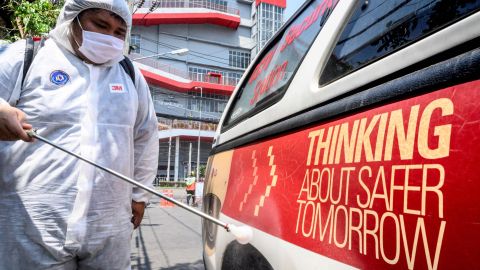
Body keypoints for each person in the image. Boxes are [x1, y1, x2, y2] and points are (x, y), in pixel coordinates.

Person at [0, 0, 159, 269]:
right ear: (73, 19)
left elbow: (145, 135)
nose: (109, 37)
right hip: (31, 226)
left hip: (109, 226)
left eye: (119, 32)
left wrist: (139, 196)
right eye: (100, 25)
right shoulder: (27, 56)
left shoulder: (130, 75)